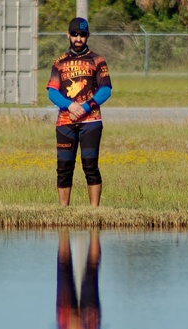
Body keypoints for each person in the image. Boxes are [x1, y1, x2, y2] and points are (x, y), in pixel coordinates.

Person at [46, 17, 112, 207]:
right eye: (74, 34)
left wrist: (84, 107)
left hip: (91, 121)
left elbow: (106, 90)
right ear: (68, 35)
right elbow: (52, 92)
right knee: (64, 168)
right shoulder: (59, 62)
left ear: (87, 36)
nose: (78, 38)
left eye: (82, 35)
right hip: (65, 122)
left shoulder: (97, 60)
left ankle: (94, 212)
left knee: (90, 166)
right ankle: (63, 211)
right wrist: (70, 106)